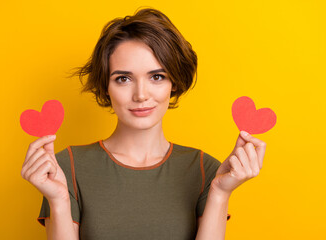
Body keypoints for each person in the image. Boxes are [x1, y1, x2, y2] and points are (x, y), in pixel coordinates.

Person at [21, 7, 266, 240]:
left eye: (157, 77)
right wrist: (59, 200)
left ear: (175, 83)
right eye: (123, 78)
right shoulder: (65, 168)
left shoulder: (206, 170)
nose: (141, 95)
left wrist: (221, 193)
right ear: (106, 87)